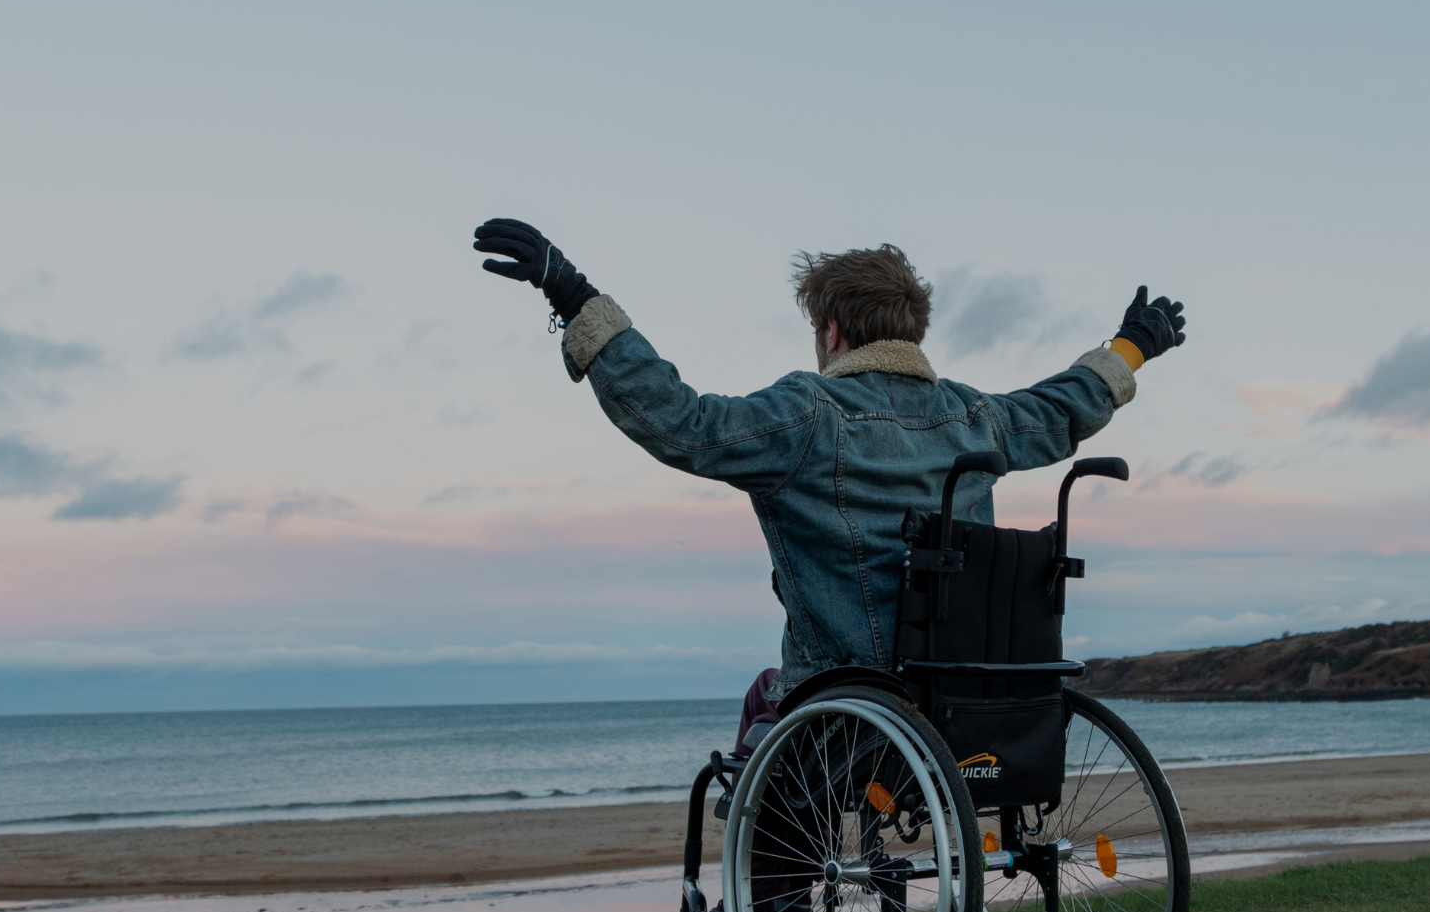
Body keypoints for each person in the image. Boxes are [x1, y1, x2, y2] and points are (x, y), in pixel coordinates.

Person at [470, 217, 1185, 754]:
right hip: (964, 703)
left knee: (765, 699)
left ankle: (772, 910)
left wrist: (572, 293)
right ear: (912, 330)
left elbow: (680, 421)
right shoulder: (978, 418)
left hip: (849, 708)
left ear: (833, 330)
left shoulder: (808, 414)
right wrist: (1132, 346)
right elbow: (1063, 406)